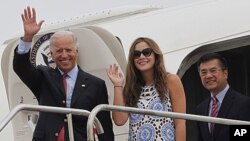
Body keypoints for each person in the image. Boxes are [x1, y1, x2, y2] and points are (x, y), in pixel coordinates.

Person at [13, 6, 114, 141]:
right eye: (59, 51)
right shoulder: (43, 77)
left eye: (68, 50)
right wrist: (27, 37)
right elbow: (21, 67)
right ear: (52, 54)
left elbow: (104, 127)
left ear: (76, 52)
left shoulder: (96, 84)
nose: (64, 55)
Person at [107, 37, 186, 141]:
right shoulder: (130, 87)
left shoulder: (171, 81)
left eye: (146, 52)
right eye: (136, 54)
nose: (141, 56)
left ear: (155, 55)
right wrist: (117, 85)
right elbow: (119, 120)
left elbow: (180, 123)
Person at [195, 52, 250, 141]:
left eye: (213, 70)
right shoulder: (200, 109)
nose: (208, 76)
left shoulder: (244, 103)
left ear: (225, 73)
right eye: (203, 72)